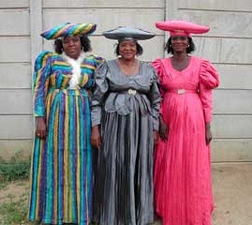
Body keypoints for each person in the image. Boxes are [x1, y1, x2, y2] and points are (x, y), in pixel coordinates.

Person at [28, 22, 104, 225]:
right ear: (61, 44)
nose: (71, 43)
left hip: (83, 117)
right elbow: (39, 89)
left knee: (82, 162)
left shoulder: (93, 62)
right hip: (55, 118)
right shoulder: (50, 60)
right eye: (67, 40)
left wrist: (98, 124)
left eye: (75, 39)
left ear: (82, 42)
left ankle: (80, 212)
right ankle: (54, 212)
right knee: (55, 161)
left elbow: (99, 92)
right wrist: (39, 118)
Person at [90, 26, 161, 225]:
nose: (127, 48)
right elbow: (96, 99)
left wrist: (154, 128)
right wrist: (95, 127)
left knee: (139, 163)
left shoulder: (148, 69)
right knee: (114, 162)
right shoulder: (107, 67)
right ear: (118, 48)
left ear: (137, 48)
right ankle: (112, 215)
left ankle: (138, 214)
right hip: (114, 123)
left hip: (142, 123)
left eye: (131, 45)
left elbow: (156, 100)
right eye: (123, 45)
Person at [152, 20, 220, 225]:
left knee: (192, 161)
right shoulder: (160, 65)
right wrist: (160, 120)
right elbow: (156, 95)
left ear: (188, 41)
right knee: (168, 160)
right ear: (170, 42)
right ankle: (168, 207)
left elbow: (206, 97)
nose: (179, 41)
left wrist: (207, 125)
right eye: (175, 39)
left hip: (194, 119)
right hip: (169, 118)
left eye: (182, 38)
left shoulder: (201, 65)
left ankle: (194, 207)